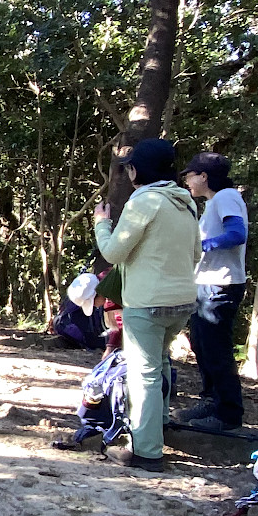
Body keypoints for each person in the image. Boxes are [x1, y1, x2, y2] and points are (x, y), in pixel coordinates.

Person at [92, 139, 200, 471]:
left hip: (147, 303)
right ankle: (160, 424)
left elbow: (112, 252)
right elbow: (196, 253)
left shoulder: (145, 202)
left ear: (137, 170)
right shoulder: (186, 203)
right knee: (161, 363)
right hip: (182, 301)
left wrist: (101, 223)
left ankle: (147, 451)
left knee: (145, 374)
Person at [174, 152, 248, 431]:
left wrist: (203, 246)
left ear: (204, 176)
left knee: (216, 350)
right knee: (201, 345)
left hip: (221, 285)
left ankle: (227, 414)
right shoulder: (215, 202)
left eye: (190, 175)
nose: (187, 182)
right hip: (207, 284)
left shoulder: (226, 197)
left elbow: (237, 234)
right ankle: (210, 401)